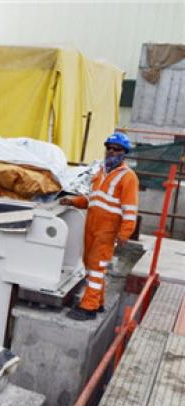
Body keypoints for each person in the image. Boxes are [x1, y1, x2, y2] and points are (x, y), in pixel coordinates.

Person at [61, 132, 139, 321]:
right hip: (92, 227)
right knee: (92, 266)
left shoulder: (128, 177)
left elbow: (130, 209)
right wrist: (72, 201)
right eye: (109, 148)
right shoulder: (101, 173)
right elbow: (93, 199)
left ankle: (88, 307)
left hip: (107, 230)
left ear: (124, 153)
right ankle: (98, 302)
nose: (111, 152)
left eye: (117, 149)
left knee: (96, 267)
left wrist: (124, 233)